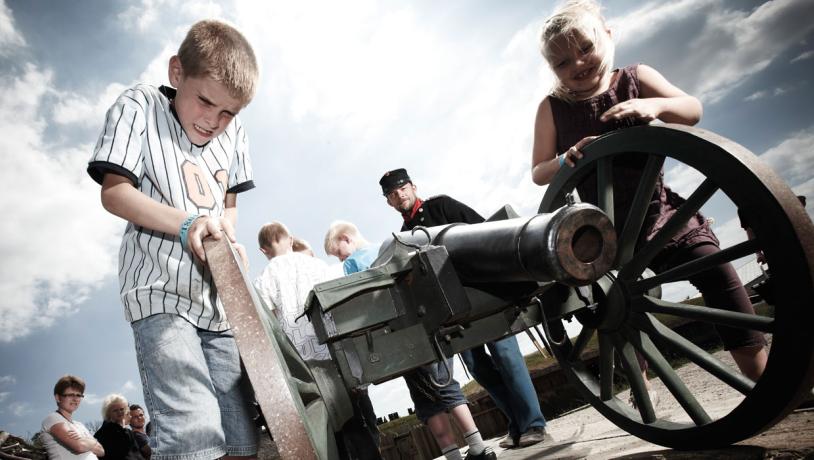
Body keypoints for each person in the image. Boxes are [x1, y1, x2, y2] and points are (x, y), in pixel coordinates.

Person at [531, 0, 768, 395]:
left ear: (607, 36)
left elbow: (691, 110)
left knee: (716, 272)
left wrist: (653, 105)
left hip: (662, 218)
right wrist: (565, 159)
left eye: (585, 49)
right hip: (602, 235)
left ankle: (764, 375)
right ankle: (642, 387)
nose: (578, 64)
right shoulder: (552, 108)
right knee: (611, 309)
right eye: (562, 63)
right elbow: (539, 171)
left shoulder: (636, 78)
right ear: (552, 70)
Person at [86, 19, 260, 460]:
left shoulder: (234, 135)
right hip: (159, 293)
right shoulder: (140, 105)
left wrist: (226, 235)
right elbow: (115, 191)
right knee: (193, 432)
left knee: (241, 435)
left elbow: (229, 200)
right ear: (177, 72)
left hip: (218, 305)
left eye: (228, 112)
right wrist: (186, 224)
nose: (214, 121)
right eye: (205, 101)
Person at [377, 168, 548, 450]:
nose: (400, 195)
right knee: (479, 368)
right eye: (393, 194)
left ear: (413, 187)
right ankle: (516, 423)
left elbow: (485, 231)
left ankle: (533, 423)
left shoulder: (441, 206)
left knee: (506, 356)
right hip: (455, 310)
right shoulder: (405, 236)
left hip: (486, 293)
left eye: (403, 188)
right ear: (389, 202)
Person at [325, 221, 495, 460]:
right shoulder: (389, 248)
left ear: (346, 239)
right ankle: (477, 446)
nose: (342, 261)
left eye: (339, 255)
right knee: (447, 384)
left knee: (426, 400)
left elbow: (365, 306)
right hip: (432, 325)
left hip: (402, 337)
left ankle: (456, 455)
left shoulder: (354, 263)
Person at [253, 222, 382, 460]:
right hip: (335, 354)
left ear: (263, 250)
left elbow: (268, 322)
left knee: (325, 430)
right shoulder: (316, 264)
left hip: (303, 365)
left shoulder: (266, 277)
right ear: (290, 239)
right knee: (356, 422)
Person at [41, 375, 105, 459]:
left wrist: (82, 440)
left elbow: (101, 451)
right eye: (70, 395)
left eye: (78, 395)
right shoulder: (53, 418)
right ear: (58, 398)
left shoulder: (80, 425)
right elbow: (79, 446)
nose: (75, 399)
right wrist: (92, 442)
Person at [94, 394, 144, 460]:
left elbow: (137, 455)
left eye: (122, 409)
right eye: (115, 410)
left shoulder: (128, 432)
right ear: (108, 414)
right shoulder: (103, 433)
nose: (119, 412)